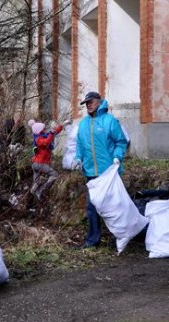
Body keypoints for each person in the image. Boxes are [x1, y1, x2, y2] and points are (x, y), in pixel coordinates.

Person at [73, 91, 128, 248]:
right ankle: (93, 240)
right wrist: (78, 158)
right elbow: (80, 144)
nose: (88, 105)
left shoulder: (109, 121)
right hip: (91, 173)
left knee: (113, 207)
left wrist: (117, 156)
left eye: (91, 101)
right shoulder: (83, 124)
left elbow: (121, 141)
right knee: (92, 207)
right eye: (86, 103)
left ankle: (117, 238)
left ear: (99, 101)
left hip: (108, 172)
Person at [28, 119, 64, 200]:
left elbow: (53, 133)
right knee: (54, 175)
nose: (44, 129)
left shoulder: (41, 136)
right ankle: (42, 190)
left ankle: (34, 195)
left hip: (36, 163)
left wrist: (62, 125)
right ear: (40, 131)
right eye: (43, 129)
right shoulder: (39, 139)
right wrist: (51, 133)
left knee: (37, 181)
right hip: (40, 163)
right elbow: (47, 141)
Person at [0, 111, 27, 190]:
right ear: (15, 117)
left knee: (13, 167)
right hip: (4, 150)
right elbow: (2, 137)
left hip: (14, 151)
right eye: (18, 118)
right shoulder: (8, 124)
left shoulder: (22, 128)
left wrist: (20, 147)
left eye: (21, 119)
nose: (19, 120)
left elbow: (23, 140)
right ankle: (3, 186)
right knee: (4, 167)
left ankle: (11, 186)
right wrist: (6, 148)